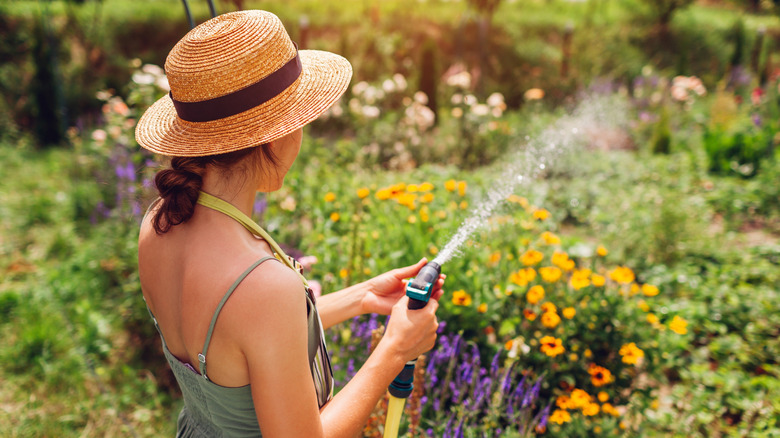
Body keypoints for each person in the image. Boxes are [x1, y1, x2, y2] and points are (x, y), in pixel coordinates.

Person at [134, 9, 445, 438]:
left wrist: (362, 297)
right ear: (277, 133)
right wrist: (395, 349)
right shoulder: (260, 284)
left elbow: (242, 342)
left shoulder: (158, 224)